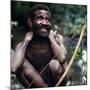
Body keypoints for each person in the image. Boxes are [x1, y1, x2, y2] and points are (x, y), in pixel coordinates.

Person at [11, 4, 67, 88]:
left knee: (54, 64)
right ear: (30, 22)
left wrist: (51, 38)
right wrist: (26, 41)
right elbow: (13, 68)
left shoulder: (57, 39)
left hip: (57, 83)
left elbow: (62, 59)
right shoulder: (23, 45)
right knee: (21, 63)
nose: (45, 23)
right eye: (40, 18)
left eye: (47, 19)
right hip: (39, 85)